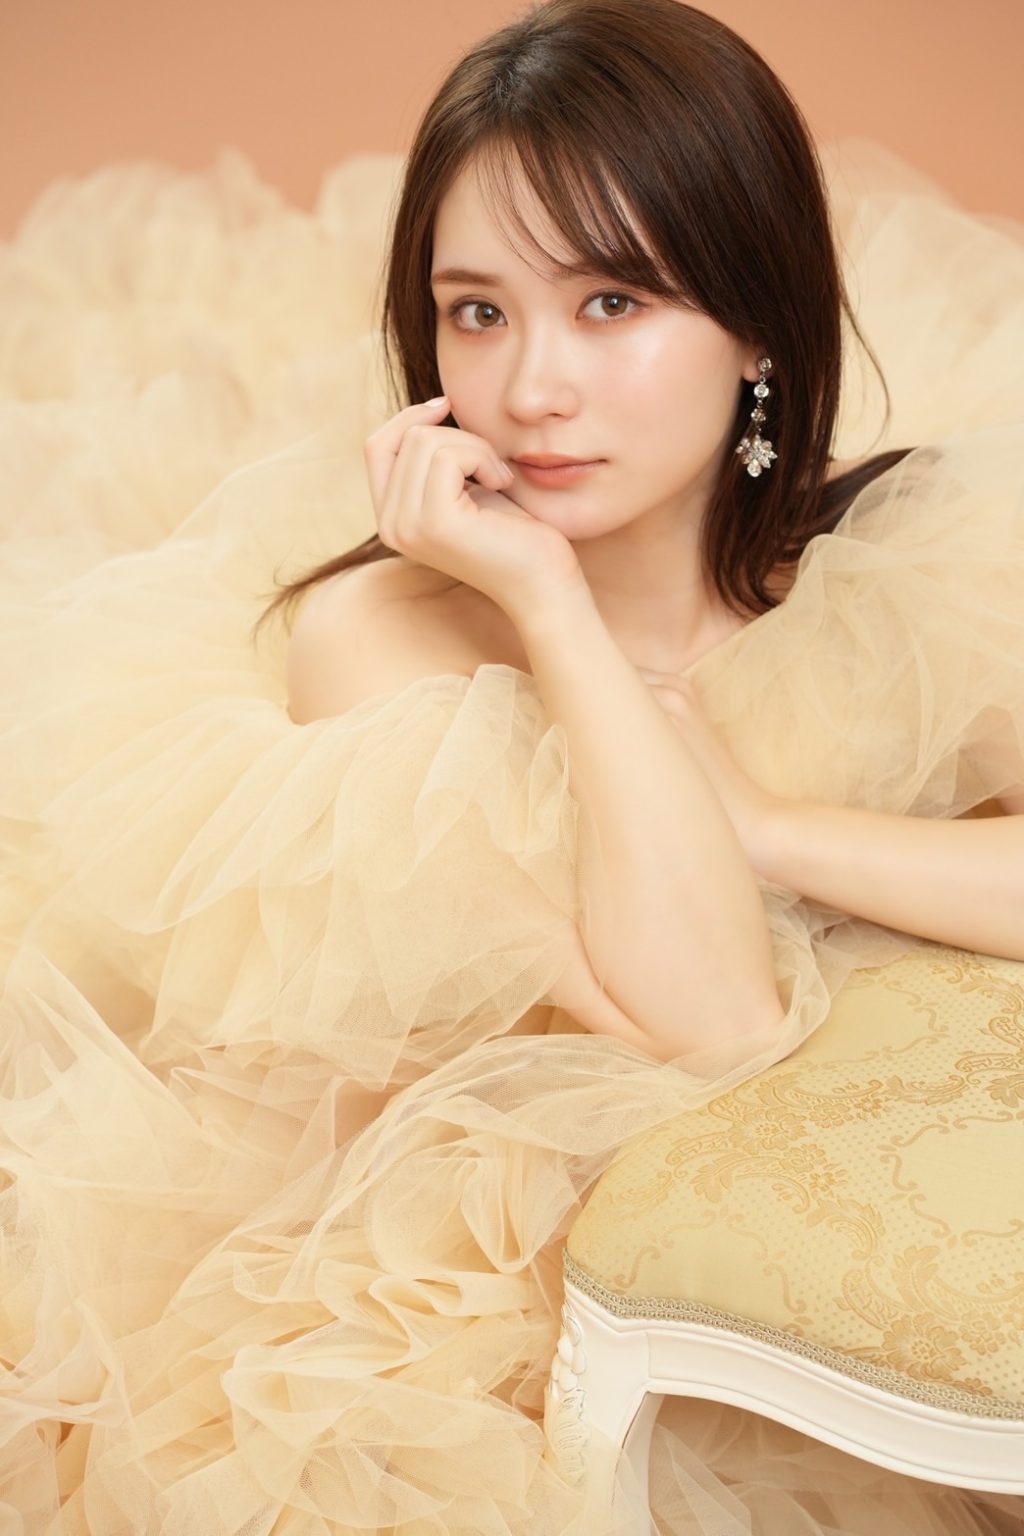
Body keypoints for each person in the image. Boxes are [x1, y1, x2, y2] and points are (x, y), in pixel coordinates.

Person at [0, 1, 1021, 1532]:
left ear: (756, 323)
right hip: (481, 1292)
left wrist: (770, 825)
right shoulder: (387, 640)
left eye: (611, 302)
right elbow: (715, 1022)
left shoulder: (893, 570)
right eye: (477, 312)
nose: (532, 387)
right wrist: (550, 604)